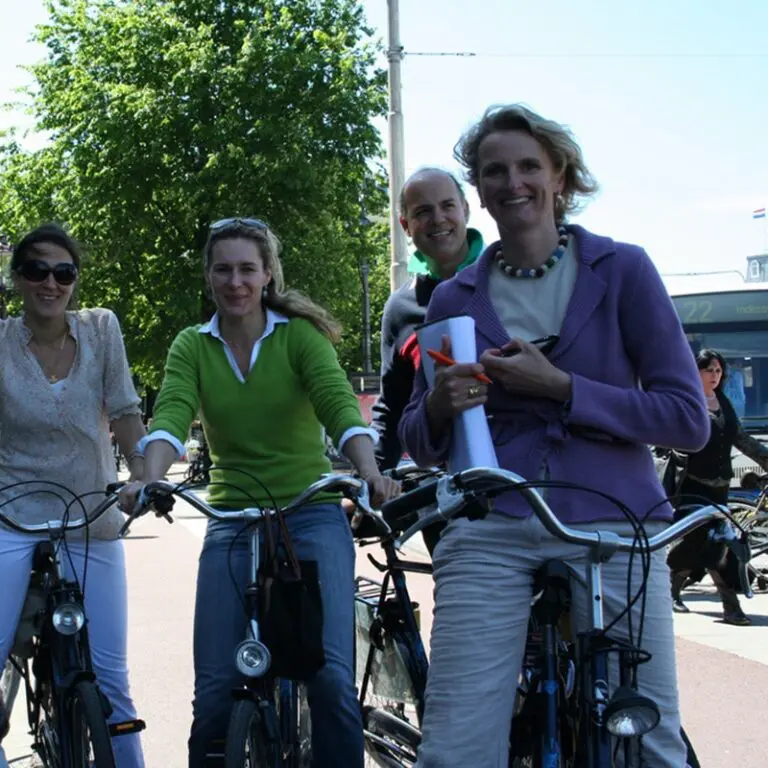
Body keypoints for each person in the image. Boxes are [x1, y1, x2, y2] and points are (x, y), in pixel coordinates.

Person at [398, 105, 710, 767]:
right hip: (495, 516)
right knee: (455, 748)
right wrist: (439, 409)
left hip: (616, 518)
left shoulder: (624, 270)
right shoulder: (454, 297)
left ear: (560, 176)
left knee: (647, 743)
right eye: (494, 171)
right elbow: (421, 443)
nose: (513, 182)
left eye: (528, 166)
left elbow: (687, 418)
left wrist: (564, 389)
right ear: (477, 191)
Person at [119, 217, 399, 768]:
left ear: (267, 274)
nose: (235, 281)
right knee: (217, 689)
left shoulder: (299, 337)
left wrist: (369, 472)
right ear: (208, 278)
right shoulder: (192, 346)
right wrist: (147, 478)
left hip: (311, 513)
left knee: (331, 680)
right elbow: (172, 415)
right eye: (222, 269)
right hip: (231, 516)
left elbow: (339, 405)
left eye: (248, 268)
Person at [0, 224, 147, 768]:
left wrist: (140, 474)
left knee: (111, 677)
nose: (50, 282)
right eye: (37, 270)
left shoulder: (102, 329)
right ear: (17, 278)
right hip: (11, 517)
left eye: (63, 272)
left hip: (92, 514)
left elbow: (127, 413)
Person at [370, 168, 483, 553]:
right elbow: (392, 404)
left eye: (448, 206)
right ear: (405, 224)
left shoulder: (507, 276)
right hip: (446, 492)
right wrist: (370, 478)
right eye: (422, 211)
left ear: (467, 209)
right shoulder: (401, 306)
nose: (438, 219)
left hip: (530, 479)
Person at [667, 348, 768, 625]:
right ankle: (731, 607)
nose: (714, 375)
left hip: (720, 487)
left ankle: (671, 586)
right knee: (714, 541)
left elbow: (741, 438)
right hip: (691, 486)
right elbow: (669, 439)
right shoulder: (686, 402)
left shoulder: (722, 400)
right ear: (695, 372)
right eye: (708, 370)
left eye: (718, 370)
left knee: (707, 543)